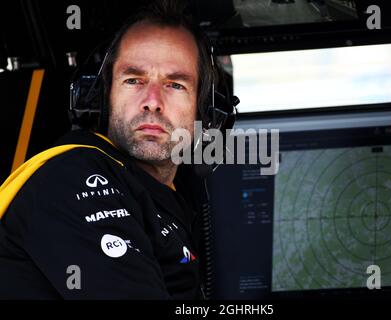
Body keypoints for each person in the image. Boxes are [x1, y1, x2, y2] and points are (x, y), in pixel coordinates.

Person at [0, 1, 226, 299]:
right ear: (102, 98)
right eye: (134, 80)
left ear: (204, 111)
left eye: (175, 85)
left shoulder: (161, 194)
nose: (153, 101)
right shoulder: (71, 178)